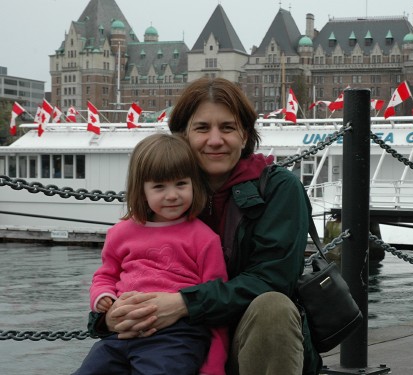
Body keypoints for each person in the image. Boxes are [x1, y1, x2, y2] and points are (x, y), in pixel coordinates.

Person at [86, 78, 319, 375]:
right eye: (202, 128)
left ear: (245, 134)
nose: (215, 140)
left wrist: (184, 304)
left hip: (248, 342)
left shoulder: (278, 188)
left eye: (227, 127)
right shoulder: (169, 194)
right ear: (182, 135)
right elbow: (119, 271)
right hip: (159, 345)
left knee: (273, 307)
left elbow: (273, 280)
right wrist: (108, 317)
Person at [75, 134, 229, 375]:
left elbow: (216, 301)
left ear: (194, 184)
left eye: (181, 184)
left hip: (177, 336)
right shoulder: (120, 233)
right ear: (142, 189)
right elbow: (105, 276)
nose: (172, 195)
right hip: (121, 335)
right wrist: (103, 297)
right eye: (159, 186)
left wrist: (214, 366)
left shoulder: (204, 238)